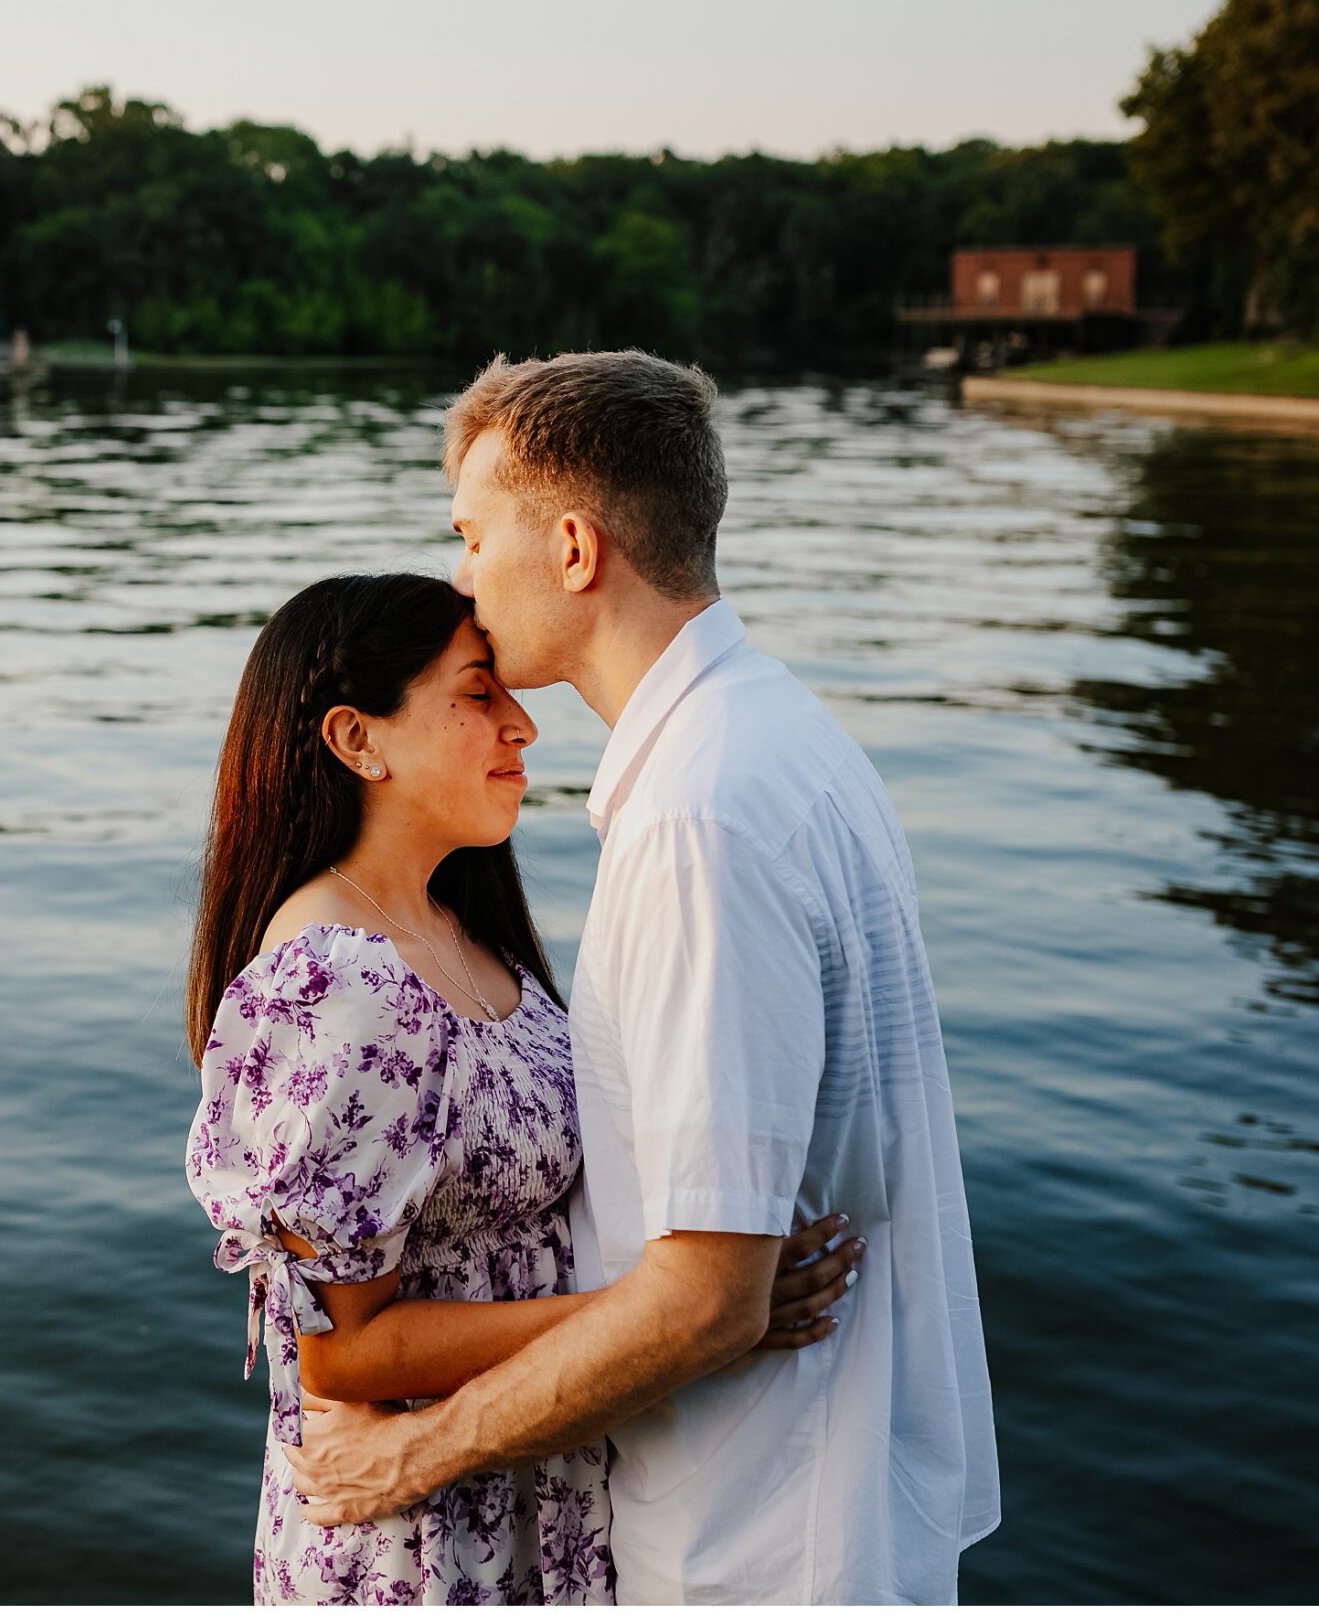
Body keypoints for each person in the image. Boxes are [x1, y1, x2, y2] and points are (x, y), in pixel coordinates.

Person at [281, 352, 1000, 1604]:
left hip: (760, 1542)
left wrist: (410, 1451)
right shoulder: (784, 740)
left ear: (571, 548)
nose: (460, 577)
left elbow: (709, 1301)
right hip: (829, 1501)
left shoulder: (696, 815)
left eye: (470, 533)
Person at [185, 571, 860, 1604]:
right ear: (357, 739)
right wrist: (672, 1314)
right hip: (414, 1538)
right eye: (476, 694)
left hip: (532, 1483)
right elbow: (343, 1353)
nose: (523, 724)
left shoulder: (458, 926)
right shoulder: (334, 981)